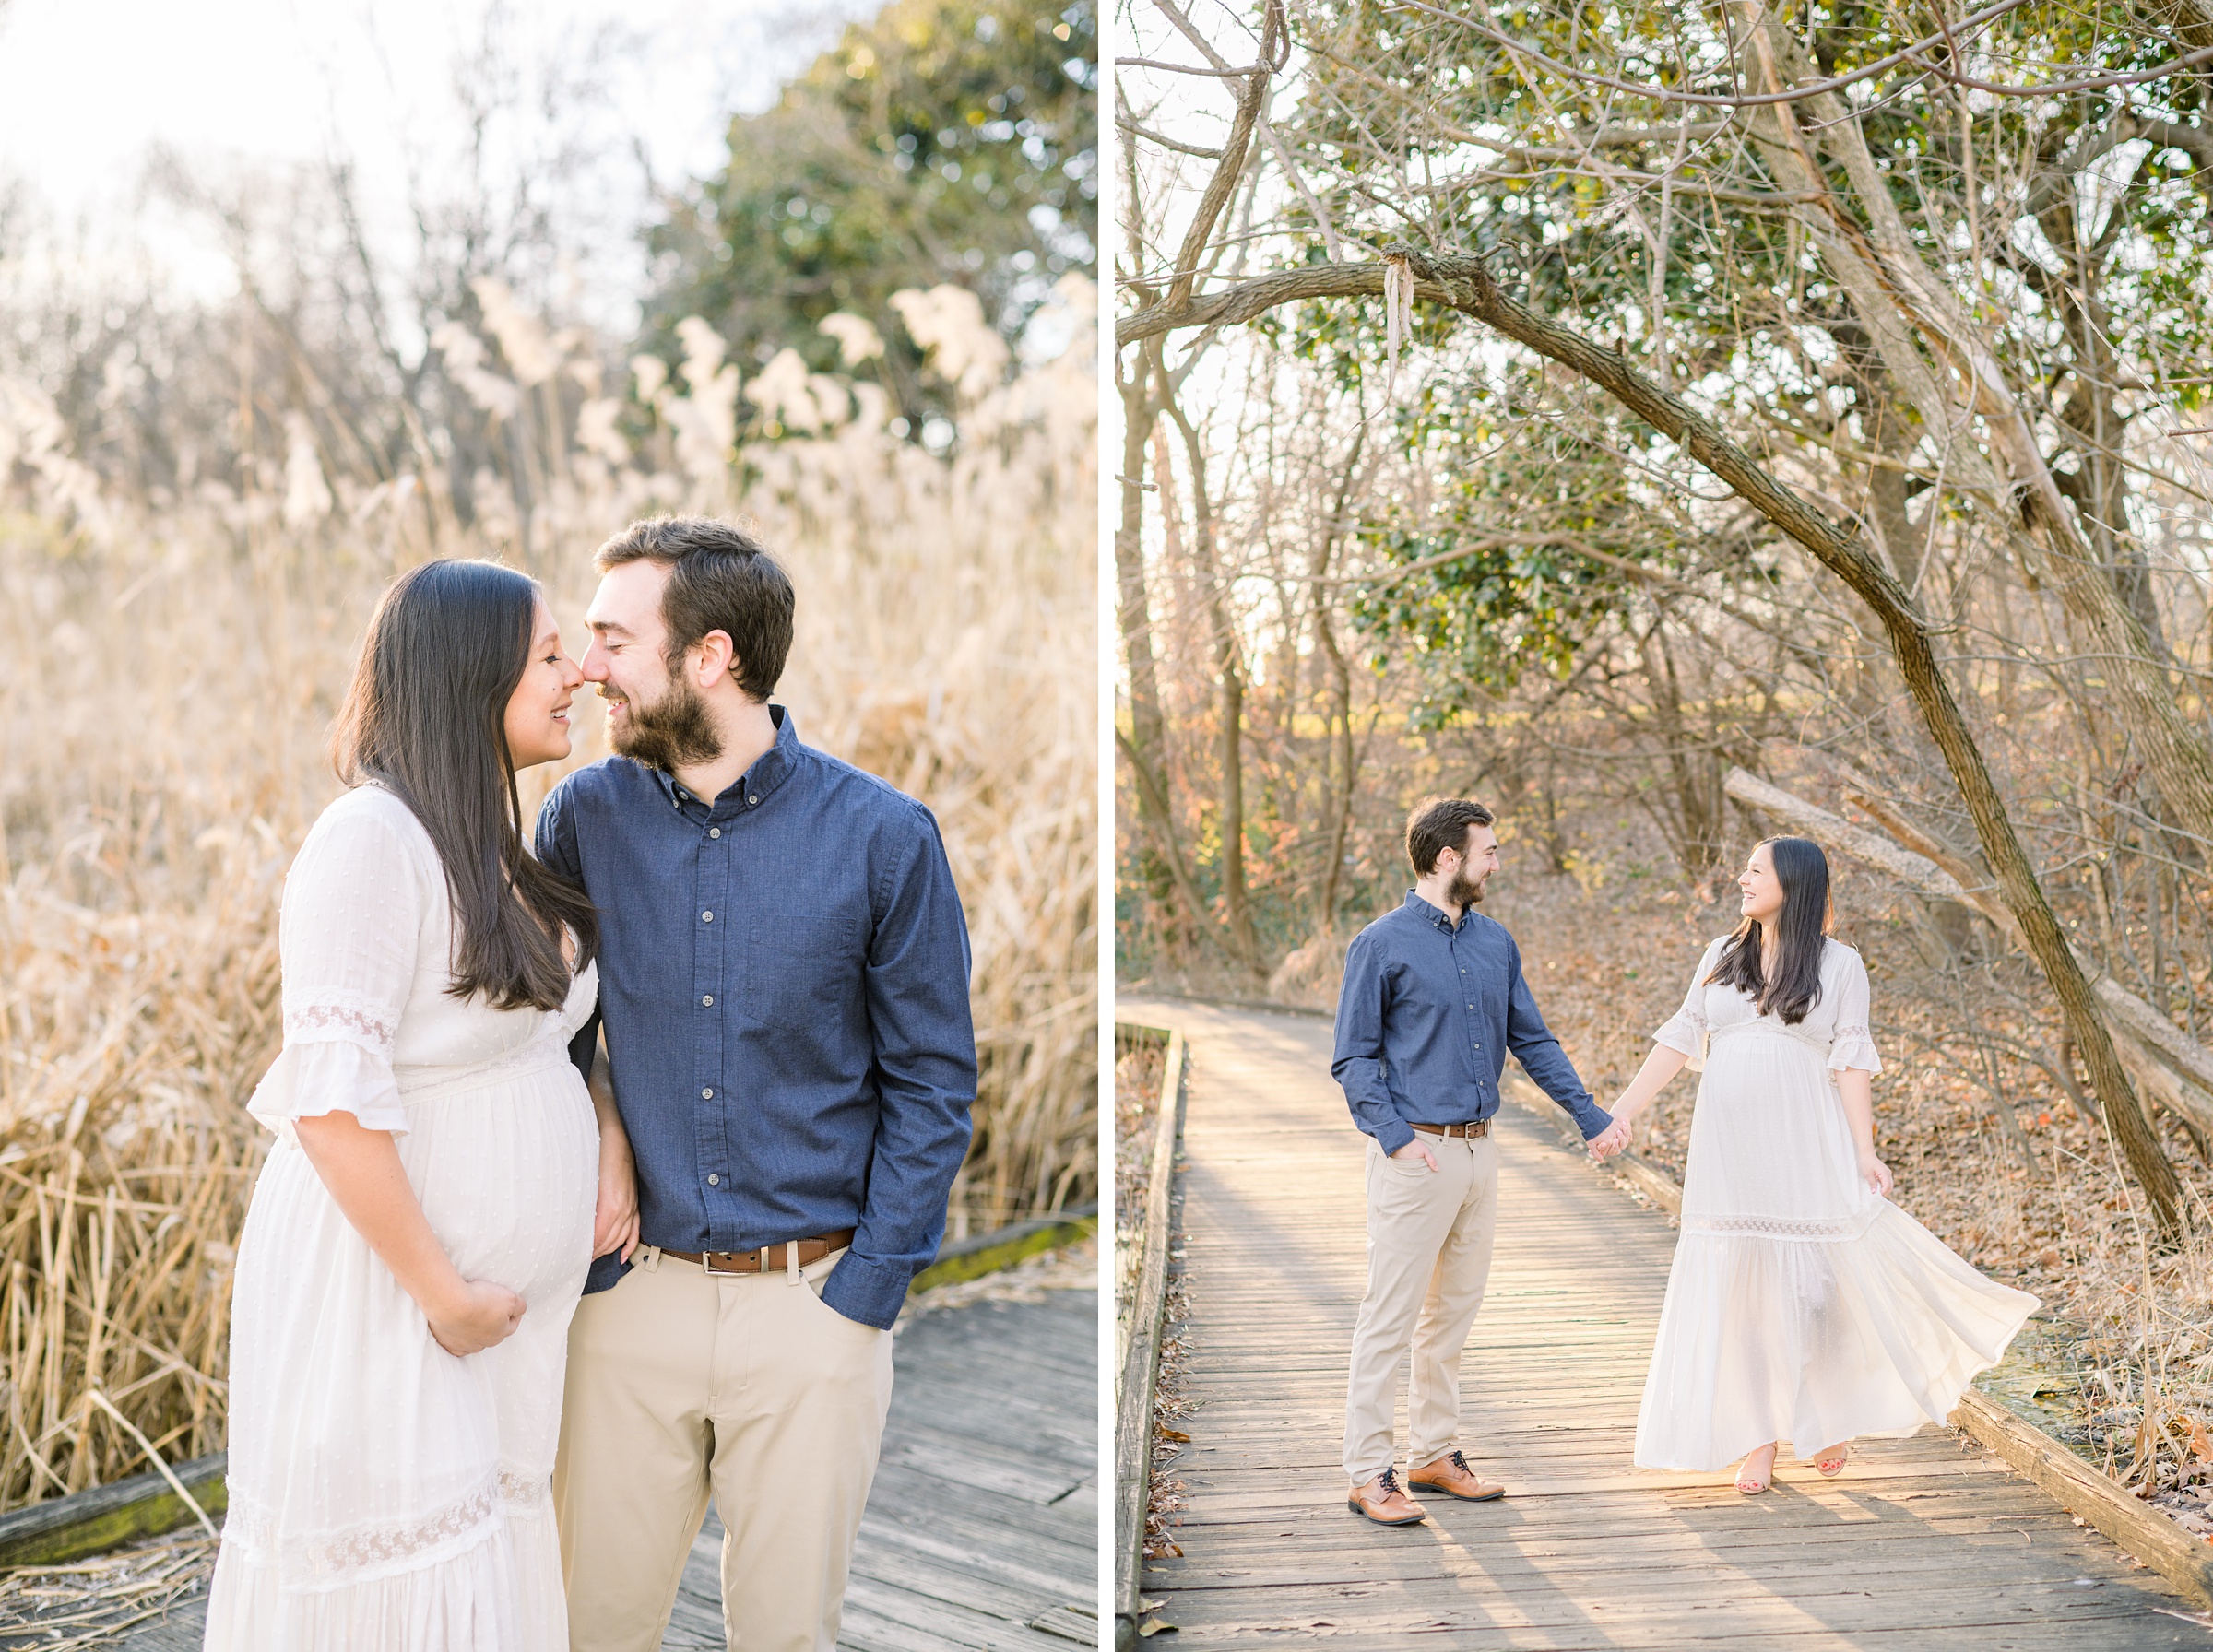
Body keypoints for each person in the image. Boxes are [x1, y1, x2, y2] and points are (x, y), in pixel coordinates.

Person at [538, 515, 977, 1652]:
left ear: (711, 656)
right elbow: (541, 1034)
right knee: (589, 1625)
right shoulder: (582, 817)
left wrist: (867, 1295)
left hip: (813, 1308)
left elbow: (934, 1080)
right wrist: (604, 1129)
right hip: (624, 1298)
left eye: (613, 641)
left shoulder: (885, 837)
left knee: (788, 1636)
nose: (588, 669)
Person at [206, 560, 610, 1648]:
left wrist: (606, 1140)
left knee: (483, 1581)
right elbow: (330, 1104)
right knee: (403, 1594)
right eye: (549, 654)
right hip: (397, 1300)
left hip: (492, 1324)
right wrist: (444, 1294)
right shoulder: (368, 839)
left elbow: (551, 1035)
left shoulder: (488, 840)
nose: (580, 673)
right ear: (470, 677)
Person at [1610, 836, 2038, 1493]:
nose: (1743, 878)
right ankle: (1759, 1441)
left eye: (1756, 870)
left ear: (1795, 885)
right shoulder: (1721, 956)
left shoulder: (1840, 965)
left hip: (1806, 1143)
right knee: (1742, 1294)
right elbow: (1679, 1036)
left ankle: (1825, 1412)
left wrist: (1864, 1150)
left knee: (1817, 1289)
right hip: (1729, 1152)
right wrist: (1624, 1110)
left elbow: (1853, 1060)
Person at [1331, 796, 1630, 1525]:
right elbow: (1353, 1057)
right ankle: (1370, 1473)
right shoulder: (1382, 943)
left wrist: (1590, 1115)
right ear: (1447, 859)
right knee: (1389, 1318)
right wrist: (1397, 1139)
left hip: (1481, 1153)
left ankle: (1434, 1453)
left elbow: (1533, 1039)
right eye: (1488, 851)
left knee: (1453, 1315)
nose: (1498, 862)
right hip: (1416, 1153)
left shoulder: (1495, 942)